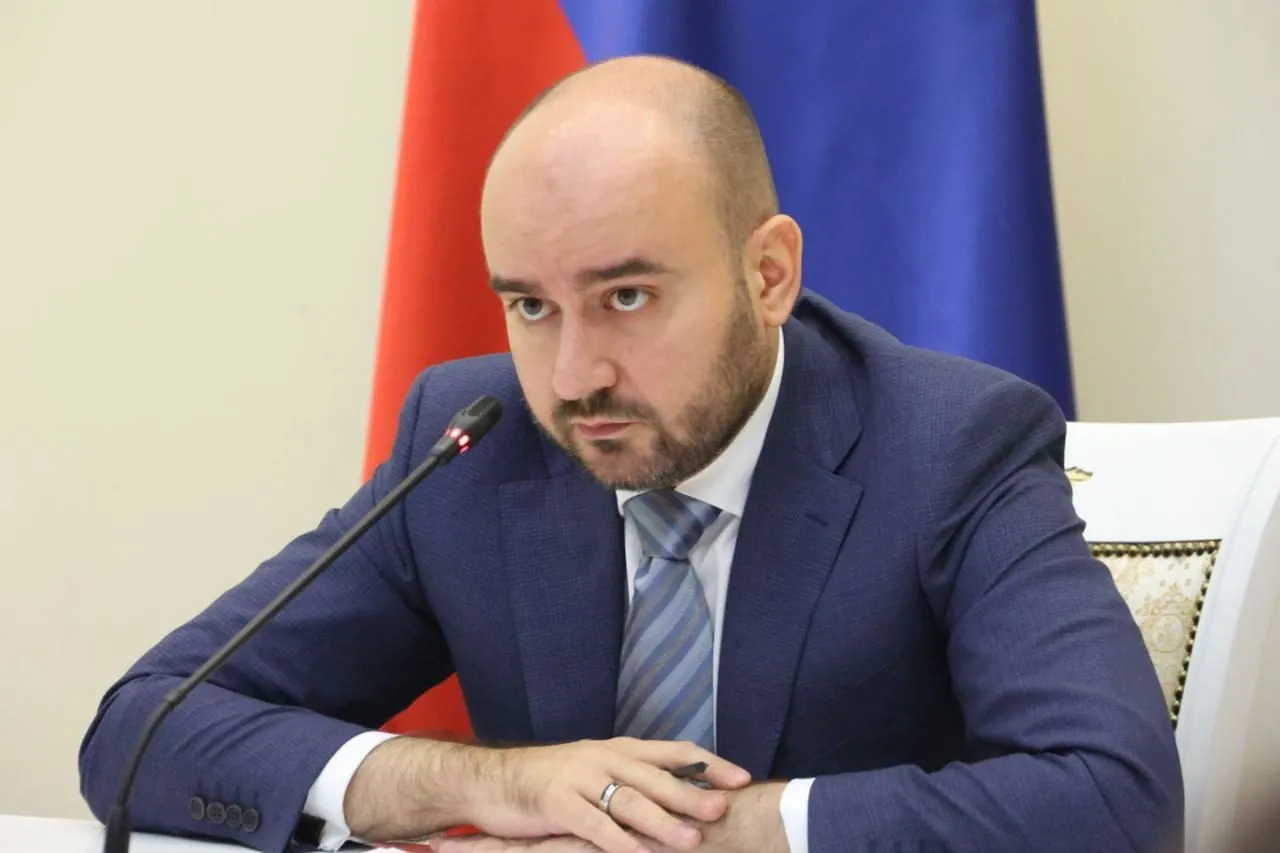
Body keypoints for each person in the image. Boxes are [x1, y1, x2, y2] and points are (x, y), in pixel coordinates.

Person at [79, 55, 1183, 853]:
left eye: (627, 297)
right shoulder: (473, 439)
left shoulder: (951, 445)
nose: (572, 377)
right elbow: (144, 727)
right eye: (529, 305)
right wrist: (492, 786)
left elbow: (1112, 797)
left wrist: (708, 829)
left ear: (767, 276)